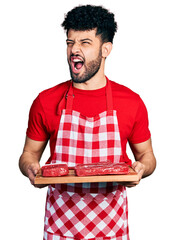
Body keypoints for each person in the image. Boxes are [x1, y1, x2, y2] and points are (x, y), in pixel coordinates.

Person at [19, 4, 156, 240]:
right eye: (70, 42)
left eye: (85, 42)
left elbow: (148, 157)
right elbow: (28, 155)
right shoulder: (46, 101)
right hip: (60, 229)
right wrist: (30, 168)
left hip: (111, 230)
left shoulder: (131, 102)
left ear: (106, 49)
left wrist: (141, 170)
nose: (74, 50)